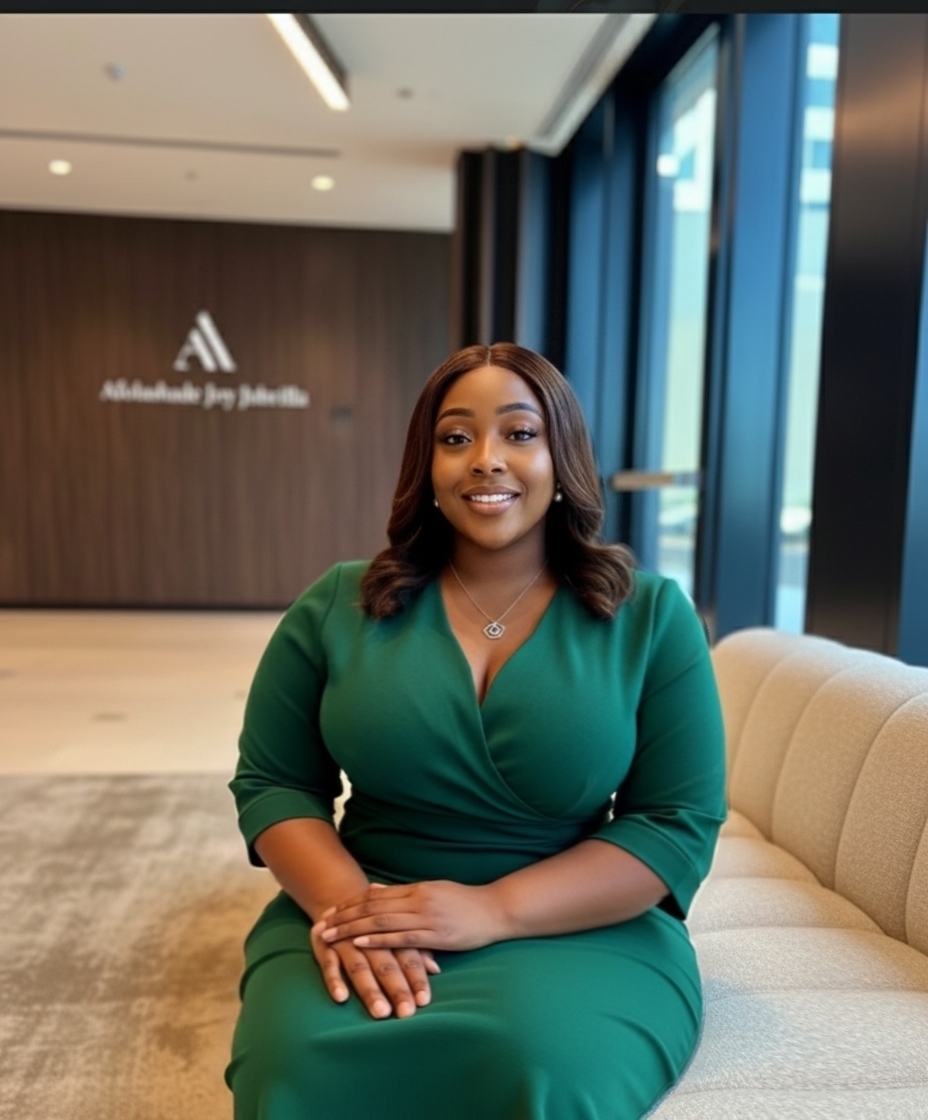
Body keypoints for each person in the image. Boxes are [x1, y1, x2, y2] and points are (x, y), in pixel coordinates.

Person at [226, 343, 727, 1120]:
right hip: (365, 903)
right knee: (291, 1069)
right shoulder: (336, 604)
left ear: (563, 457)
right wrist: (358, 914)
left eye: (520, 434)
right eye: (456, 438)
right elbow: (275, 784)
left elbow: (675, 824)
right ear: (425, 466)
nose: (486, 460)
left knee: (543, 1067)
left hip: (574, 921)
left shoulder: (651, 616)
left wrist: (493, 909)